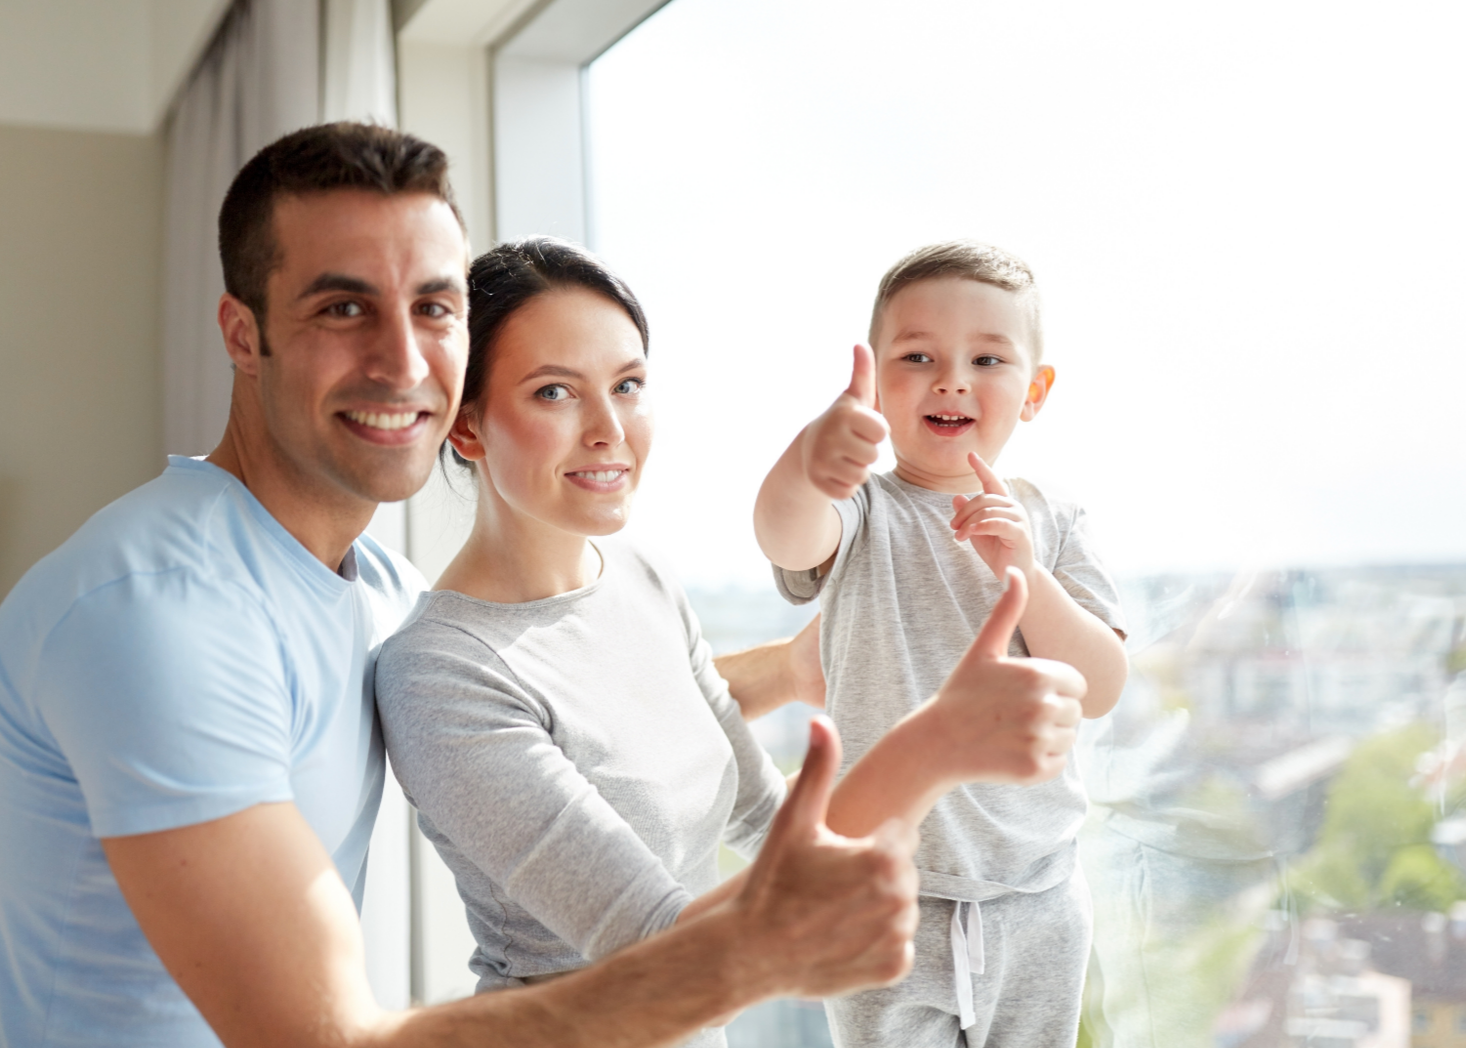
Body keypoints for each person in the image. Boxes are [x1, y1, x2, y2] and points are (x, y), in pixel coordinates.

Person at [0, 123, 925, 1048]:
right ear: (242, 335)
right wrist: (753, 949)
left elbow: (555, 706)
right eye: (343, 308)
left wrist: (793, 668)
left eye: (432, 308)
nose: (403, 361)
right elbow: (315, 1039)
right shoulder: (158, 616)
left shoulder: (374, 584)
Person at [374, 237, 1092, 1048]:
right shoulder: (440, 672)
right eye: (553, 393)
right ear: (465, 428)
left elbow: (761, 814)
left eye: (628, 386)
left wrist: (988, 862)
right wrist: (930, 745)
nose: (610, 429)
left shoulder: (638, 577)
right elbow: (679, 956)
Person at [753, 240, 1131, 1046]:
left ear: (1034, 392)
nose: (951, 379)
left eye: (986, 358)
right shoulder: (859, 510)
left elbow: (1098, 685)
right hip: (878, 891)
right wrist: (808, 465)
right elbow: (787, 537)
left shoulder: (1053, 518)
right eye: (916, 356)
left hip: (1033, 897)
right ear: (879, 388)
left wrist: (1027, 571)